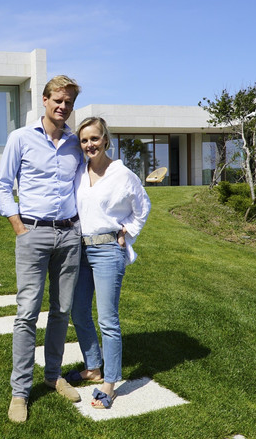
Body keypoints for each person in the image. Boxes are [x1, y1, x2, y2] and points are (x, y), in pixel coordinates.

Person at [0, 75, 84, 423]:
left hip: (69, 235)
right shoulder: (20, 138)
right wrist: (19, 227)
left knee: (61, 311)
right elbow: (3, 185)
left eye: (68, 102)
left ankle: (53, 376)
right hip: (33, 233)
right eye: (57, 100)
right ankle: (19, 392)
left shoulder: (76, 143)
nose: (63, 106)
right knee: (27, 313)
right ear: (45, 100)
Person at [65, 116, 151, 409]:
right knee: (79, 311)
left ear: (105, 140)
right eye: (84, 140)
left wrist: (128, 231)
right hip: (80, 249)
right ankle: (92, 368)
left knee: (107, 319)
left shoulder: (122, 174)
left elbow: (143, 206)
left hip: (107, 251)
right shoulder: (80, 171)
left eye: (94, 138)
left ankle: (110, 384)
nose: (89, 144)